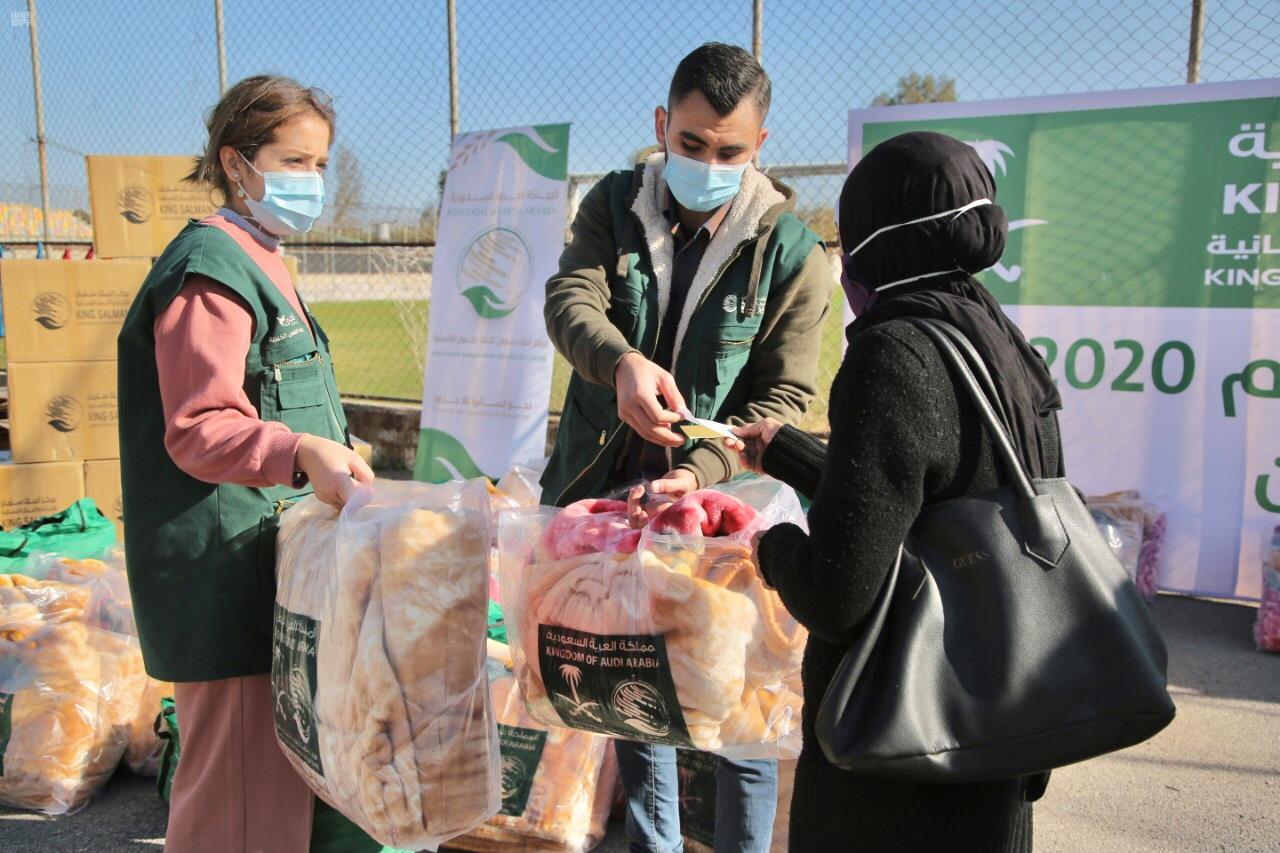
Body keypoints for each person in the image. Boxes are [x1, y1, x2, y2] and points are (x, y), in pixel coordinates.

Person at [731, 131, 1063, 852]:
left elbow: (839, 592)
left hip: (905, 759)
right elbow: (940, 500)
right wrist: (787, 451)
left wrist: (770, 546)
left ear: (871, 245)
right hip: (997, 727)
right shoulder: (996, 341)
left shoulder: (892, 351)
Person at [541, 42, 833, 853]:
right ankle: (653, 845)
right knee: (636, 695)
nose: (707, 162)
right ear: (663, 125)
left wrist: (695, 472)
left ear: (759, 147)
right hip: (614, 498)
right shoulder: (612, 203)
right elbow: (571, 299)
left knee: (736, 710)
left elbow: (784, 397)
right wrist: (622, 363)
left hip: (724, 509)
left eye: (729, 151)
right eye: (692, 143)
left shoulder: (794, 254)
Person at [118, 75, 379, 853]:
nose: (314, 183)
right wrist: (298, 452)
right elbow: (199, 426)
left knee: (273, 806)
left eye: (321, 164)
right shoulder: (211, 267)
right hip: (223, 582)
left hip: (268, 571)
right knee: (237, 813)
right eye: (294, 161)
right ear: (236, 163)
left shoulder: (262, 255)